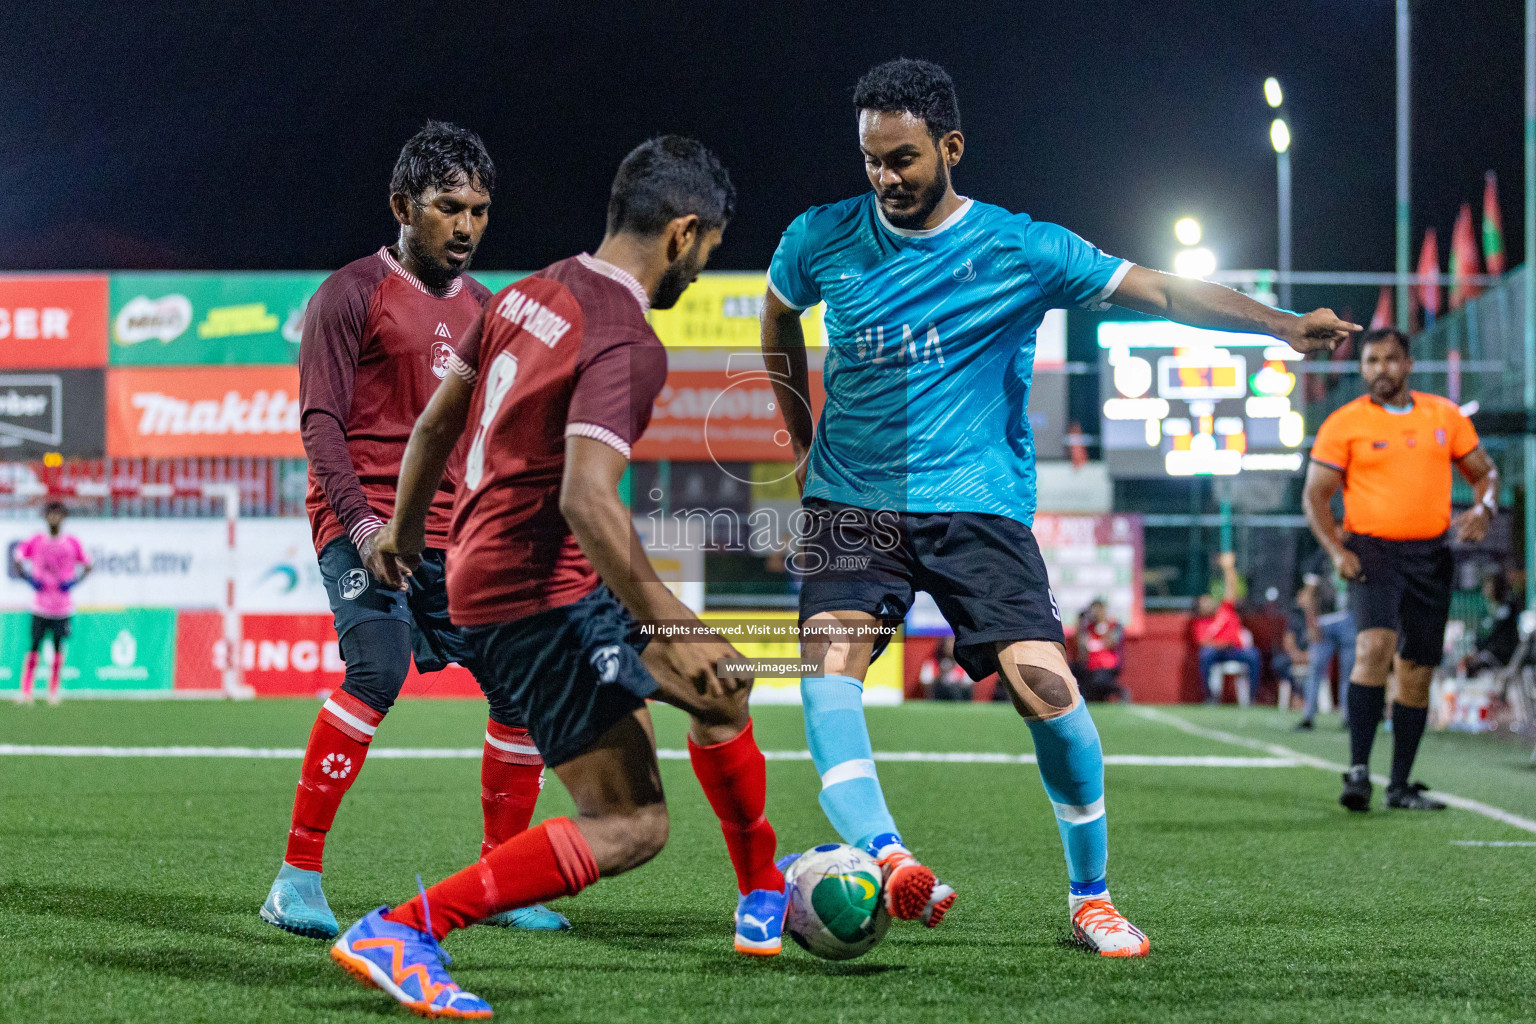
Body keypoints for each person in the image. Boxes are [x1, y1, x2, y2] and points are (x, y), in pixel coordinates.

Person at [760, 58, 1356, 956]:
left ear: (950, 148)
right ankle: (886, 857)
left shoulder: (1021, 248)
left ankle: (1091, 898)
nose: (885, 178)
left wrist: (1275, 323)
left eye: (904, 158)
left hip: (979, 510)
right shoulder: (821, 238)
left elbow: (1159, 288)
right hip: (853, 503)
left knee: (1051, 695)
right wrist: (800, 443)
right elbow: (776, 316)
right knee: (827, 670)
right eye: (872, 159)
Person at [334, 137, 789, 1017]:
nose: (698, 270)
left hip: (513, 575)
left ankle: (763, 894)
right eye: (708, 251)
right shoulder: (626, 339)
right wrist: (676, 623)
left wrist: (400, 532)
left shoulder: (528, 291)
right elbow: (587, 496)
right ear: (684, 234)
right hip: (534, 595)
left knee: (723, 691)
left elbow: (434, 427)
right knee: (631, 824)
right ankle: (406, 928)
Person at [262, 122, 564, 939]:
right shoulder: (350, 293)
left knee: (522, 688)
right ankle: (295, 878)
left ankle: (502, 883)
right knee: (379, 666)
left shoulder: (489, 309)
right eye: (446, 207)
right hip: (363, 522)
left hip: (454, 533)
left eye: (478, 210)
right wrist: (361, 527)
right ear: (402, 206)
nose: (465, 226)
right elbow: (320, 423)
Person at [1304, 328, 1498, 812]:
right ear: (1363, 367)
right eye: (1370, 361)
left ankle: (1400, 786)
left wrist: (1484, 509)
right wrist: (1335, 549)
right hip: (1372, 550)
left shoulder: (1445, 417)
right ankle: (1357, 773)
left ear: (1407, 364)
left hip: (1432, 555)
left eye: (1390, 360)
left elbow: (1485, 473)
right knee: (1374, 647)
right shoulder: (1343, 423)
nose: (1379, 369)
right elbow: (1315, 496)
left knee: (1417, 671)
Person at [11, 501, 91, 705]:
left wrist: (74, 582)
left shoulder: (72, 543)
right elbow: (17, 557)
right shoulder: (37, 540)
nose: (54, 518)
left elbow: (89, 565)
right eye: (50, 514)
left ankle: (53, 690)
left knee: (58, 648)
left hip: (62, 607)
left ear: (63, 518)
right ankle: (26, 690)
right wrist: (28, 579)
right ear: (45, 517)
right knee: (34, 646)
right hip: (40, 606)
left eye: (58, 515)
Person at [1294, 547, 1355, 730]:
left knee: (1350, 672)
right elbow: (1309, 594)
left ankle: (1349, 716)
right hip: (1324, 621)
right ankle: (1308, 715)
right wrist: (1312, 623)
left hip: (1348, 618)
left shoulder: (1355, 553)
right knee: (1316, 669)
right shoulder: (1320, 557)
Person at [1192, 553, 1262, 702]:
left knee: (1254, 655)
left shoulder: (1225, 609)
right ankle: (1209, 696)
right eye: (1204, 603)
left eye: (1208, 600)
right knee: (1205, 655)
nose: (1208, 602)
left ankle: (1252, 696)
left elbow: (1231, 589)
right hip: (1217, 652)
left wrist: (1228, 568)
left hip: (1235, 650)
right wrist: (1221, 644)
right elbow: (1203, 643)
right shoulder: (1201, 623)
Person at [1075, 600, 1130, 703]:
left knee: (1098, 680)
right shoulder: (1088, 628)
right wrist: (1080, 623)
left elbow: (1111, 643)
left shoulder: (1112, 626)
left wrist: (1102, 627)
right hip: (1091, 666)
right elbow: (1081, 647)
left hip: (1107, 665)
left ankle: (1118, 691)